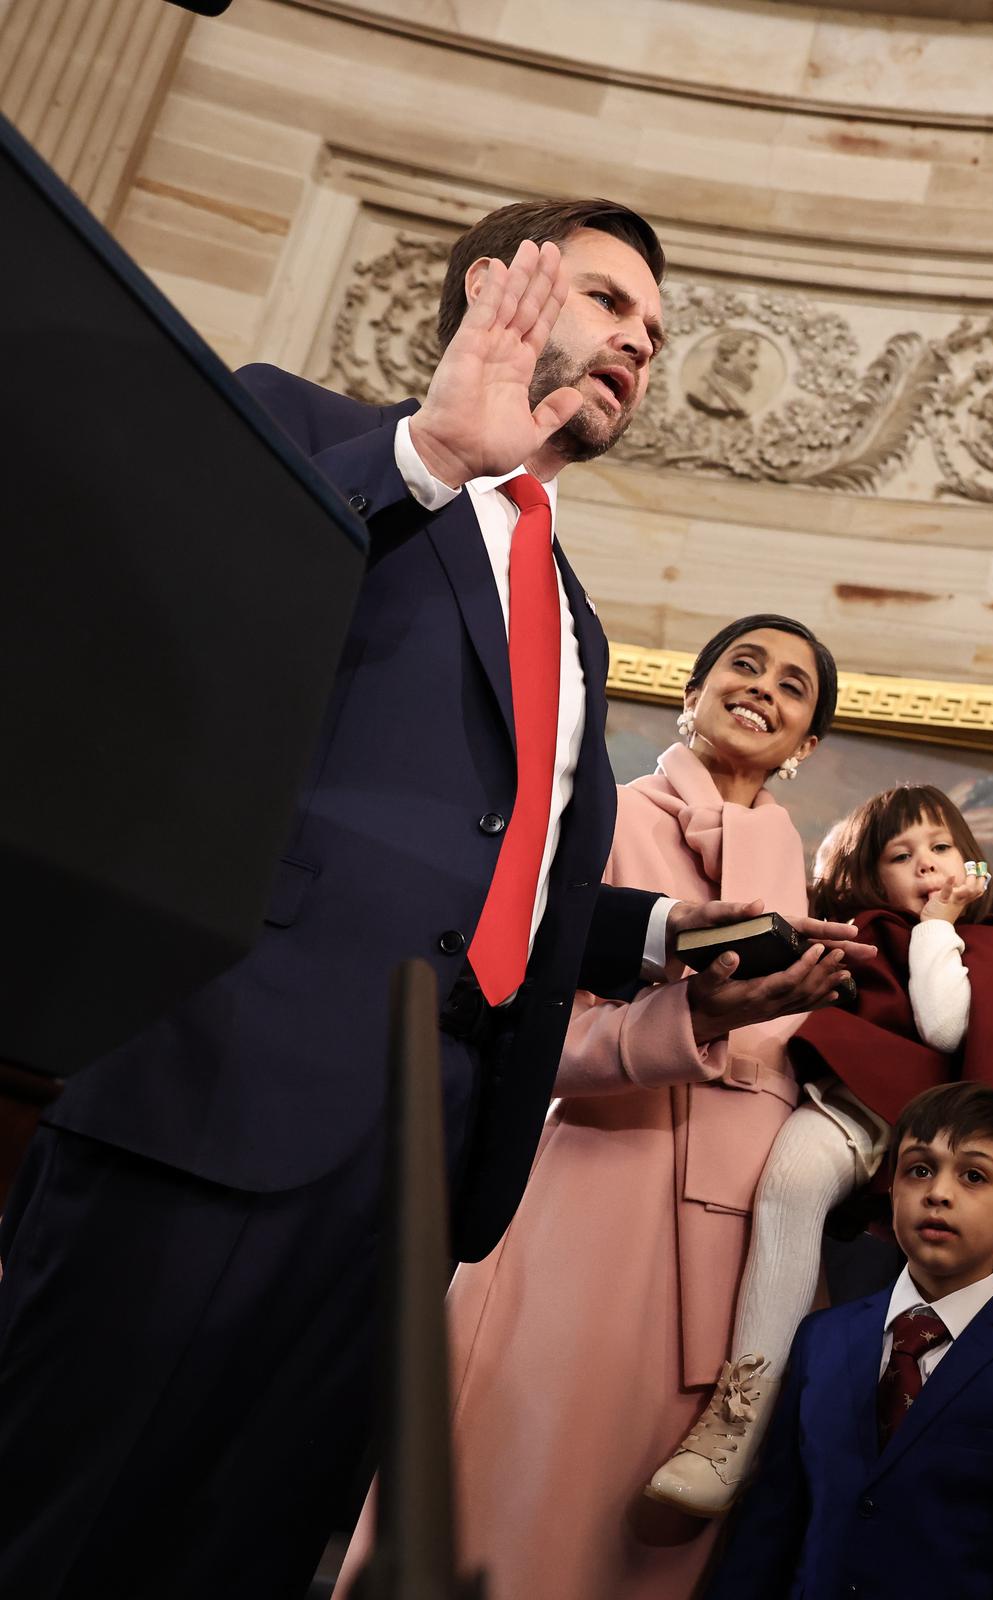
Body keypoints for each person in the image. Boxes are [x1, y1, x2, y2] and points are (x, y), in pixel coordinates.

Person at [0, 200, 857, 1600]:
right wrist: (429, 459)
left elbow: (499, 873)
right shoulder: (308, 432)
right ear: (497, 287)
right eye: (606, 301)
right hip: (224, 1097)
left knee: (253, 1546)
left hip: (425, 1167)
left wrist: (667, 946)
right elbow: (176, 612)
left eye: (655, 332)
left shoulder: (570, 614)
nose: (638, 345)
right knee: (65, 1521)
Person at [334, 612, 850, 1599]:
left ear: (807, 742)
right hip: (589, 1202)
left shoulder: (812, 874)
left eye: (793, 686)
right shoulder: (598, 825)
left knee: (653, 1553)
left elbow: (957, 906)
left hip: (746, 1247)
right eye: (743, 665)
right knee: (504, 1497)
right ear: (688, 693)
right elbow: (526, 1034)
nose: (765, 689)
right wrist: (684, 1016)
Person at [650, 783, 993, 1513]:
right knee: (790, 1182)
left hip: (939, 1129)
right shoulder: (859, 933)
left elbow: (946, 1027)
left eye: (940, 847)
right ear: (874, 876)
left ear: (971, 861)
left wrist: (939, 925)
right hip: (858, 1103)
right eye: (903, 856)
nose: (926, 866)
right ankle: (740, 1415)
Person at [704, 1083, 993, 1600]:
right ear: (892, 1194)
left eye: (973, 1176)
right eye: (919, 1169)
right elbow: (773, 1521)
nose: (938, 1192)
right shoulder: (823, 1338)